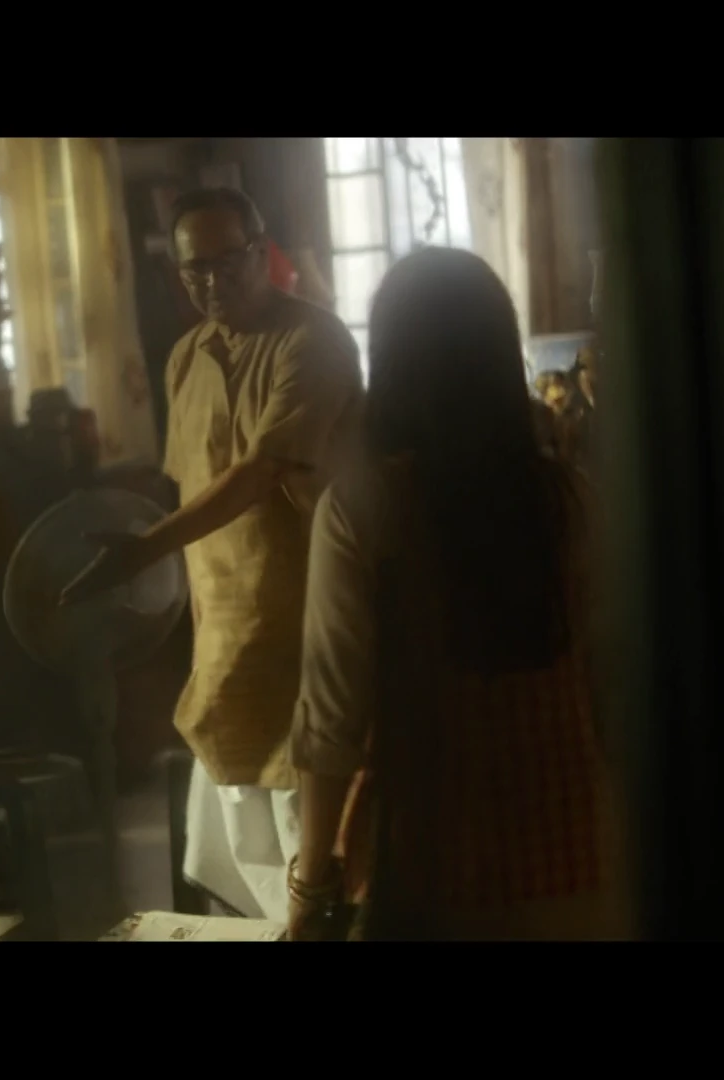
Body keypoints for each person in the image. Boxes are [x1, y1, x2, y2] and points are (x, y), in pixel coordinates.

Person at [285, 247, 623, 941]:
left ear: (390, 363)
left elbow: (331, 721)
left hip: (431, 869)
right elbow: (609, 680)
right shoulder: (569, 498)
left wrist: (309, 883)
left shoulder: (361, 509)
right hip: (577, 858)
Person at [59, 187, 363, 920]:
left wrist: (142, 552)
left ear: (263, 253)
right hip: (224, 638)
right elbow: (191, 485)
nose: (214, 281)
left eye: (231, 261)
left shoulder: (312, 341)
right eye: (196, 269)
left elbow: (261, 470)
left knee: (313, 851)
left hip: (304, 625)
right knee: (238, 851)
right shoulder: (185, 357)